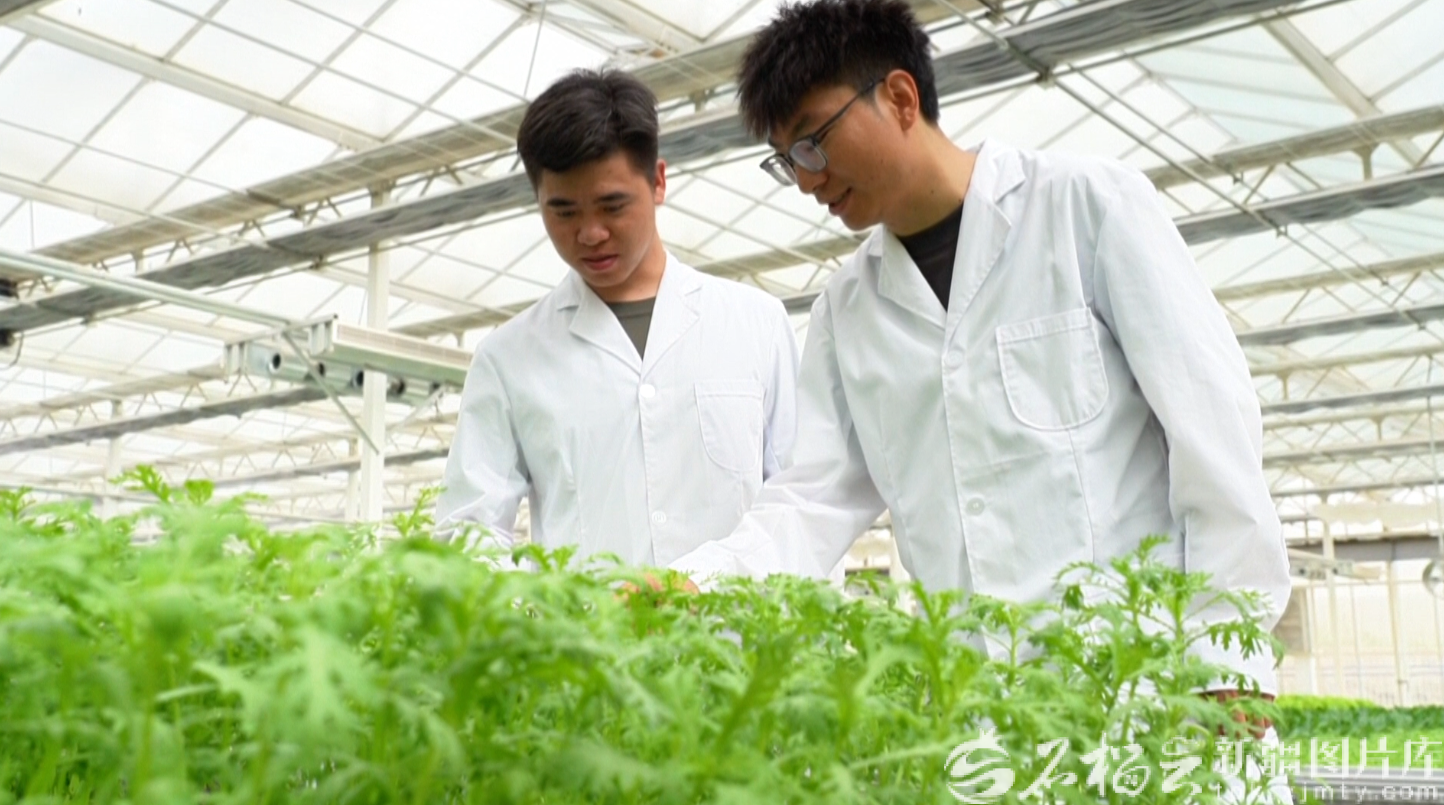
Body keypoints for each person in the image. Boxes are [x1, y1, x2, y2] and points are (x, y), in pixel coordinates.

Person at [670, 0, 1291, 702]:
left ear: (900, 97)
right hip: (984, 708)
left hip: (1152, 684)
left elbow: (1212, 429)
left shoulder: (1085, 208)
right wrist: (700, 581)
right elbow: (812, 496)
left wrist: (1226, 656)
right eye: (787, 161)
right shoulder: (847, 311)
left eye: (813, 142)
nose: (808, 180)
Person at [437, 69, 799, 573]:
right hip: (584, 626)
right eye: (563, 212)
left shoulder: (755, 324)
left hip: (738, 624)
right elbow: (469, 528)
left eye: (612, 206)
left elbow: (801, 503)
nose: (590, 233)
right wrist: (532, 605)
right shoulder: (509, 358)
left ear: (658, 182)